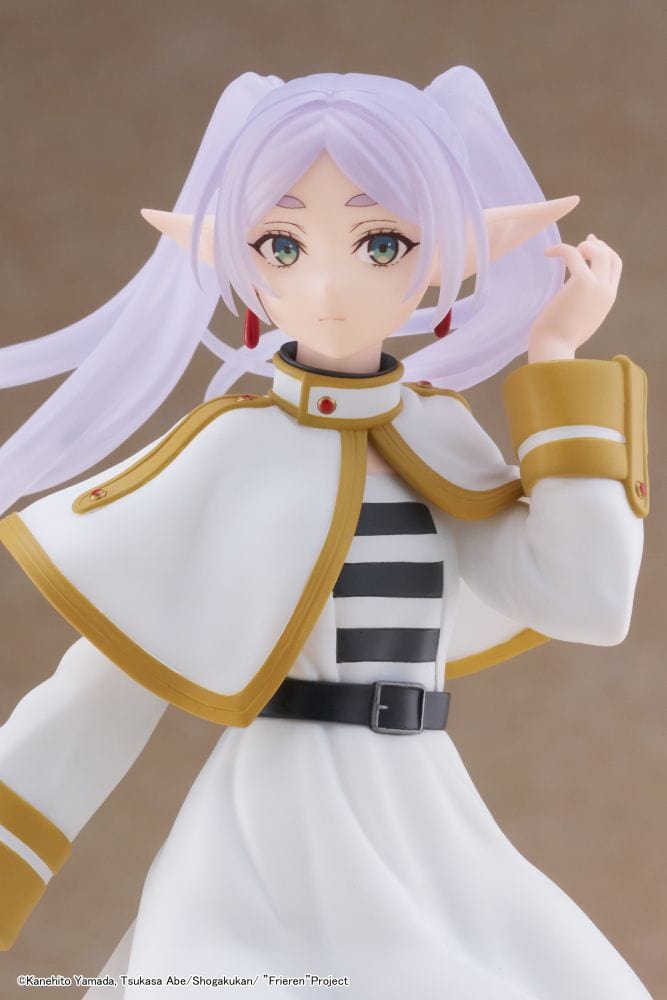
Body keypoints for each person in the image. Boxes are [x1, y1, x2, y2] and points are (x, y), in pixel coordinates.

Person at [0, 68, 651, 998]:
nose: (328, 284)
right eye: (282, 244)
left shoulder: (440, 439)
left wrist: (555, 362)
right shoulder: (227, 456)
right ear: (239, 261)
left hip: (425, 828)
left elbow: (584, 601)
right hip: (267, 843)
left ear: (446, 257)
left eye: (381, 243)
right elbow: (98, 696)